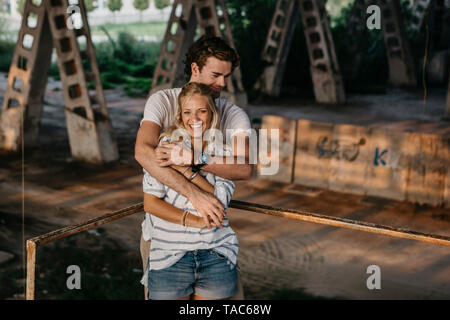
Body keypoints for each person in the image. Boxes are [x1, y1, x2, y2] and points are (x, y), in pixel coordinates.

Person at [135, 35, 253, 300]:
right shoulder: (162, 101)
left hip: (214, 243)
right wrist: (194, 194)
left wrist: (191, 162)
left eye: (226, 76)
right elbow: (143, 152)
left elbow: (244, 169)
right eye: (215, 75)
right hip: (164, 242)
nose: (222, 84)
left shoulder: (233, 115)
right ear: (195, 69)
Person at [141, 82, 239, 300]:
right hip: (170, 256)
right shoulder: (166, 145)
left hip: (216, 253)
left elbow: (219, 202)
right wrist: (193, 221)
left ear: (211, 113)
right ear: (180, 114)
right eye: (187, 112)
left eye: (201, 111)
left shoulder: (223, 151)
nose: (193, 119)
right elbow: (151, 203)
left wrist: (185, 168)